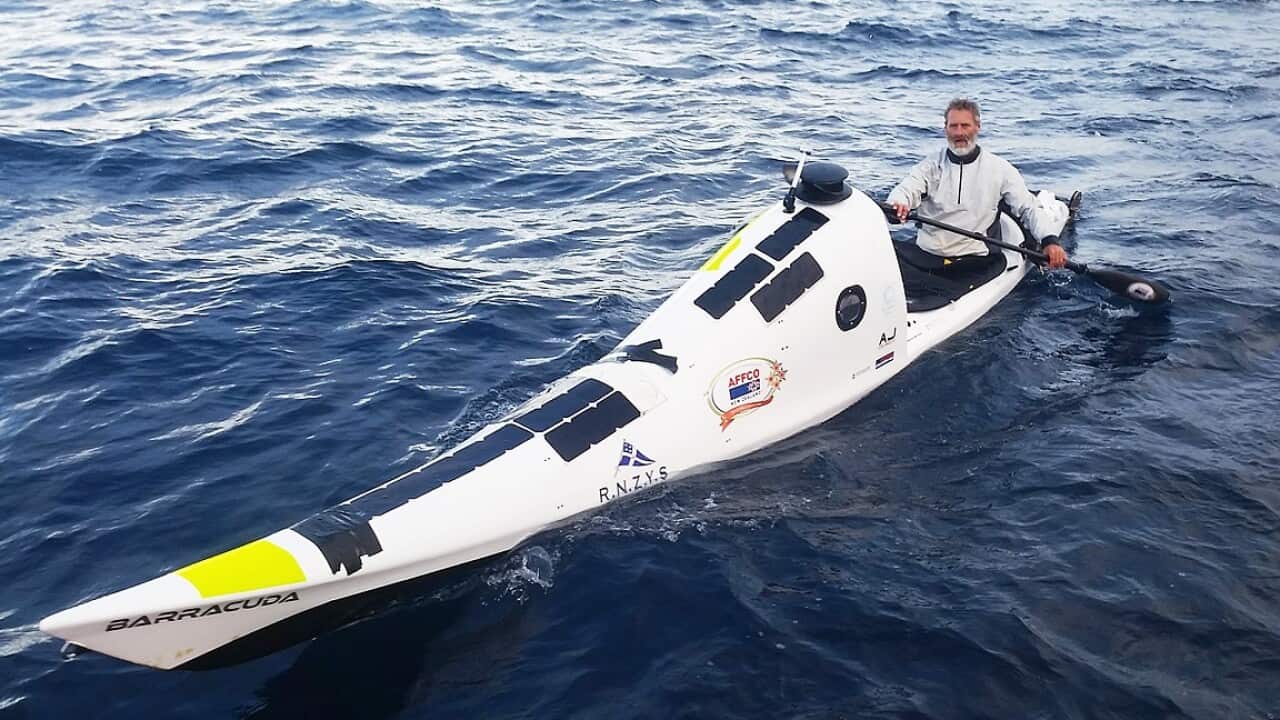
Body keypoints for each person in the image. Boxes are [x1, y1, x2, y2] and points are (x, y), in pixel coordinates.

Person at [887, 98, 1070, 270]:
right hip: (928, 252)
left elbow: (1028, 208)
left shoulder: (1000, 169)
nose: (959, 132)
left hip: (976, 257)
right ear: (946, 129)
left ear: (977, 127)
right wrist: (897, 205)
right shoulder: (929, 166)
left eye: (965, 125)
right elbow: (906, 190)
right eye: (953, 126)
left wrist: (1049, 241)